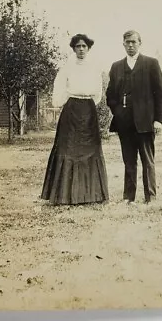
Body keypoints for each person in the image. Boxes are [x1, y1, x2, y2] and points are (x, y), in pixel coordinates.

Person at [41, 34, 109, 205]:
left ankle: (92, 195)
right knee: (67, 148)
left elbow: (98, 94)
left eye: (84, 46)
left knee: (90, 149)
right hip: (71, 110)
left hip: (88, 110)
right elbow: (58, 92)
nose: (81, 49)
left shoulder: (95, 69)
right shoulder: (66, 69)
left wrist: (87, 105)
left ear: (88, 48)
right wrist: (69, 102)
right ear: (73, 48)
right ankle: (64, 195)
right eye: (77, 46)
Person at [106, 30, 162, 204]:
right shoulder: (116, 66)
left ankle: (151, 197)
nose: (130, 45)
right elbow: (110, 94)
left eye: (133, 42)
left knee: (148, 161)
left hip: (146, 122)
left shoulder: (151, 64)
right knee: (129, 161)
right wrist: (117, 111)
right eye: (127, 42)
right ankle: (128, 197)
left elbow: (161, 93)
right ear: (123, 44)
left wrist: (158, 119)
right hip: (124, 123)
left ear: (140, 43)